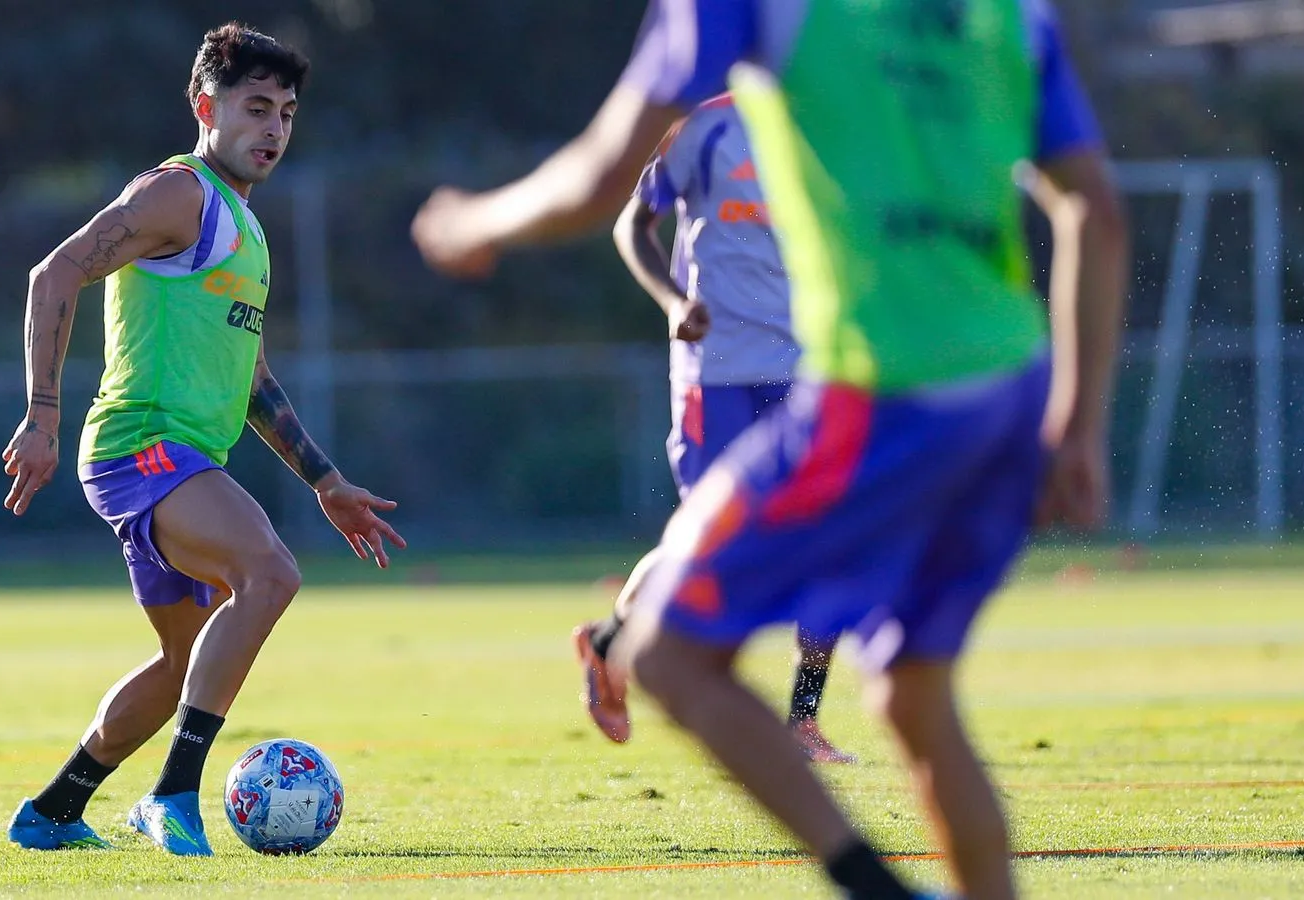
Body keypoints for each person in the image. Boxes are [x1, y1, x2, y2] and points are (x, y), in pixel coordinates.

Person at [412, 2, 1127, 898]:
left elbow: (600, 178)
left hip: (880, 392)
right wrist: (1081, 421)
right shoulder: (1011, 15)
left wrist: (479, 222)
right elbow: (1094, 212)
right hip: (1008, 391)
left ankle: (874, 886)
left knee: (669, 653)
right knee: (914, 696)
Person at [0, 22, 405, 857]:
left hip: (182, 461)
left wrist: (326, 481)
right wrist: (41, 416)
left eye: (287, 113)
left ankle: (53, 811)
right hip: (142, 449)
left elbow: (253, 380)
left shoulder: (246, 231)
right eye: (256, 108)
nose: (275, 129)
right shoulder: (177, 193)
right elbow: (55, 273)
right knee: (269, 573)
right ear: (205, 106)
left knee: (185, 662)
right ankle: (174, 794)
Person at [575, 94, 853, 764]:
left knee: (830, 541)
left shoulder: (846, 120)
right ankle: (607, 644)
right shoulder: (704, 129)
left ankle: (802, 720)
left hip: (810, 371)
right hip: (716, 371)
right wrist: (673, 302)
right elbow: (632, 225)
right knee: (706, 543)